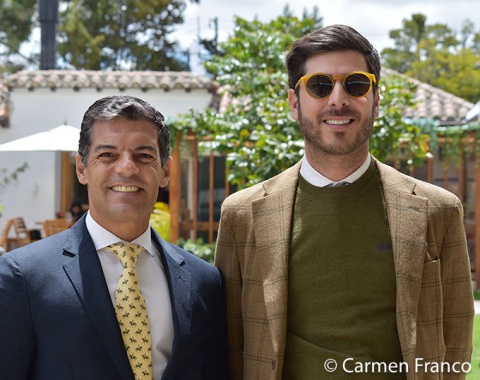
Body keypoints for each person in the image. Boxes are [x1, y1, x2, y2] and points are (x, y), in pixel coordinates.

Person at [214, 24, 474, 380]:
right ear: (294, 102)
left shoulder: (438, 210)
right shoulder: (242, 215)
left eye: (355, 84)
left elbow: (456, 339)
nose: (338, 99)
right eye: (320, 86)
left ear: (376, 100)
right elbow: (232, 344)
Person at [0, 95, 228, 380]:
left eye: (144, 156)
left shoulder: (203, 281)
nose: (127, 168)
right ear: (82, 169)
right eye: (107, 155)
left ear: (166, 171)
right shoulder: (23, 277)